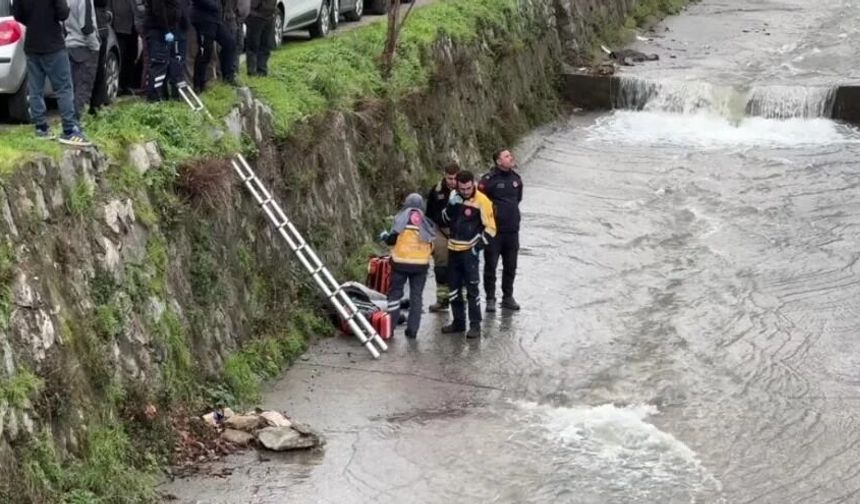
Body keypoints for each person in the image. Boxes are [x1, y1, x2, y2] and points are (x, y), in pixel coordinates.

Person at [13, 0, 93, 146]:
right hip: (53, 44)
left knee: (35, 88)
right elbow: (63, 13)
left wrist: (33, 21)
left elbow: (17, 16)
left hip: (32, 43)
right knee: (63, 87)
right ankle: (69, 129)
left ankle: (41, 127)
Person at [441, 171, 496, 339]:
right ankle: (458, 322)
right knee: (454, 289)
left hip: (469, 252)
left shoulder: (482, 201)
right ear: (457, 185)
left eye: (468, 188)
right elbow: (444, 220)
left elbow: (491, 228)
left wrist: (477, 247)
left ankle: (475, 325)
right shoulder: (454, 196)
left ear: (473, 183)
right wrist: (451, 205)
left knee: (472, 289)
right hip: (453, 249)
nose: (465, 191)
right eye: (462, 188)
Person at [378, 194, 436, 339]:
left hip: (400, 265)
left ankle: (389, 329)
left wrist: (384, 236)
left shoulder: (401, 218)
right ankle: (412, 331)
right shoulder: (426, 221)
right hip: (420, 266)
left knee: (395, 296)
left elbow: (392, 240)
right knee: (416, 298)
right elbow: (432, 245)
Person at [479, 148, 523, 312]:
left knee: (510, 266)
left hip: (512, 231)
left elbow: (518, 199)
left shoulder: (516, 180)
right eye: (506, 156)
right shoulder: (488, 180)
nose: (511, 158)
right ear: (498, 161)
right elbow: (479, 202)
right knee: (491, 266)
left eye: (510, 155)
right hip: (493, 232)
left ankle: (508, 297)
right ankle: (490, 298)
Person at [424, 161, 459, 312]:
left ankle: (460, 301)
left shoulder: (465, 189)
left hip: (460, 231)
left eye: (454, 178)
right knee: (441, 268)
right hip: (440, 230)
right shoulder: (436, 191)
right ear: (444, 176)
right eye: (449, 178)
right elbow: (429, 214)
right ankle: (442, 300)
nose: (452, 182)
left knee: (461, 268)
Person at [144, 0, 190, 101]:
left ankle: (169, 97)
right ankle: (154, 100)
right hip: (158, 31)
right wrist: (166, 30)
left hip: (172, 29)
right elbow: (158, 10)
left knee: (172, 65)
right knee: (158, 65)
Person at [66, 0, 101, 120]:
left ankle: (69, 122)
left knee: (72, 89)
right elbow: (86, 26)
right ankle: (80, 123)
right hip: (84, 46)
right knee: (84, 89)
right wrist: (95, 45)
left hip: (70, 44)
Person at [191, 0, 236, 92]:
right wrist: (215, 5)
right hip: (203, 19)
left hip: (216, 20)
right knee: (205, 52)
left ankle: (228, 77)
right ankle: (198, 84)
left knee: (230, 43)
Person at [110, 0, 140, 94]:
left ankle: (126, 85)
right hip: (119, 27)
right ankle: (118, 85)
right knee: (121, 56)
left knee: (131, 56)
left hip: (133, 27)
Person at [245, 0, 276, 76]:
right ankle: (252, 71)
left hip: (268, 15)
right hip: (256, 15)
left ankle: (262, 70)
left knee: (265, 45)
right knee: (253, 46)